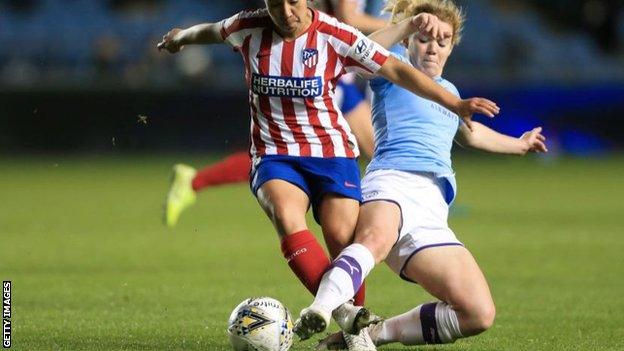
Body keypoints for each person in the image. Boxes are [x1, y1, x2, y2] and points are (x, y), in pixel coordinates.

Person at [157, 0, 498, 339]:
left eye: (293, 3)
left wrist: (453, 102)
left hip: (331, 152)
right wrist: (180, 37)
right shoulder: (247, 28)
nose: (286, 13)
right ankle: (347, 316)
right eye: (276, 5)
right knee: (287, 217)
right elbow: (212, 31)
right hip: (275, 152)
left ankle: (353, 333)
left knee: (342, 239)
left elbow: (393, 68)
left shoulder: (333, 34)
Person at [293, 0, 547, 349]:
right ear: (410, 42)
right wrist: (408, 25)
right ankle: (320, 309)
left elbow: (473, 134)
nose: (433, 47)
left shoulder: (451, 94)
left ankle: (369, 335)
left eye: (443, 41)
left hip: (433, 209)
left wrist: (519, 144)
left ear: (452, 48)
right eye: (426, 39)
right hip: (391, 182)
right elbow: (356, 49)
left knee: (478, 313)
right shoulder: (391, 69)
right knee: (374, 241)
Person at [163, 0, 389, 229]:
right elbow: (348, 18)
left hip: (330, 71)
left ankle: (195, 180)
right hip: (316, 71)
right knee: (365, 150)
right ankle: (384, 224)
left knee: (290, 149)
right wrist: (396, 24)